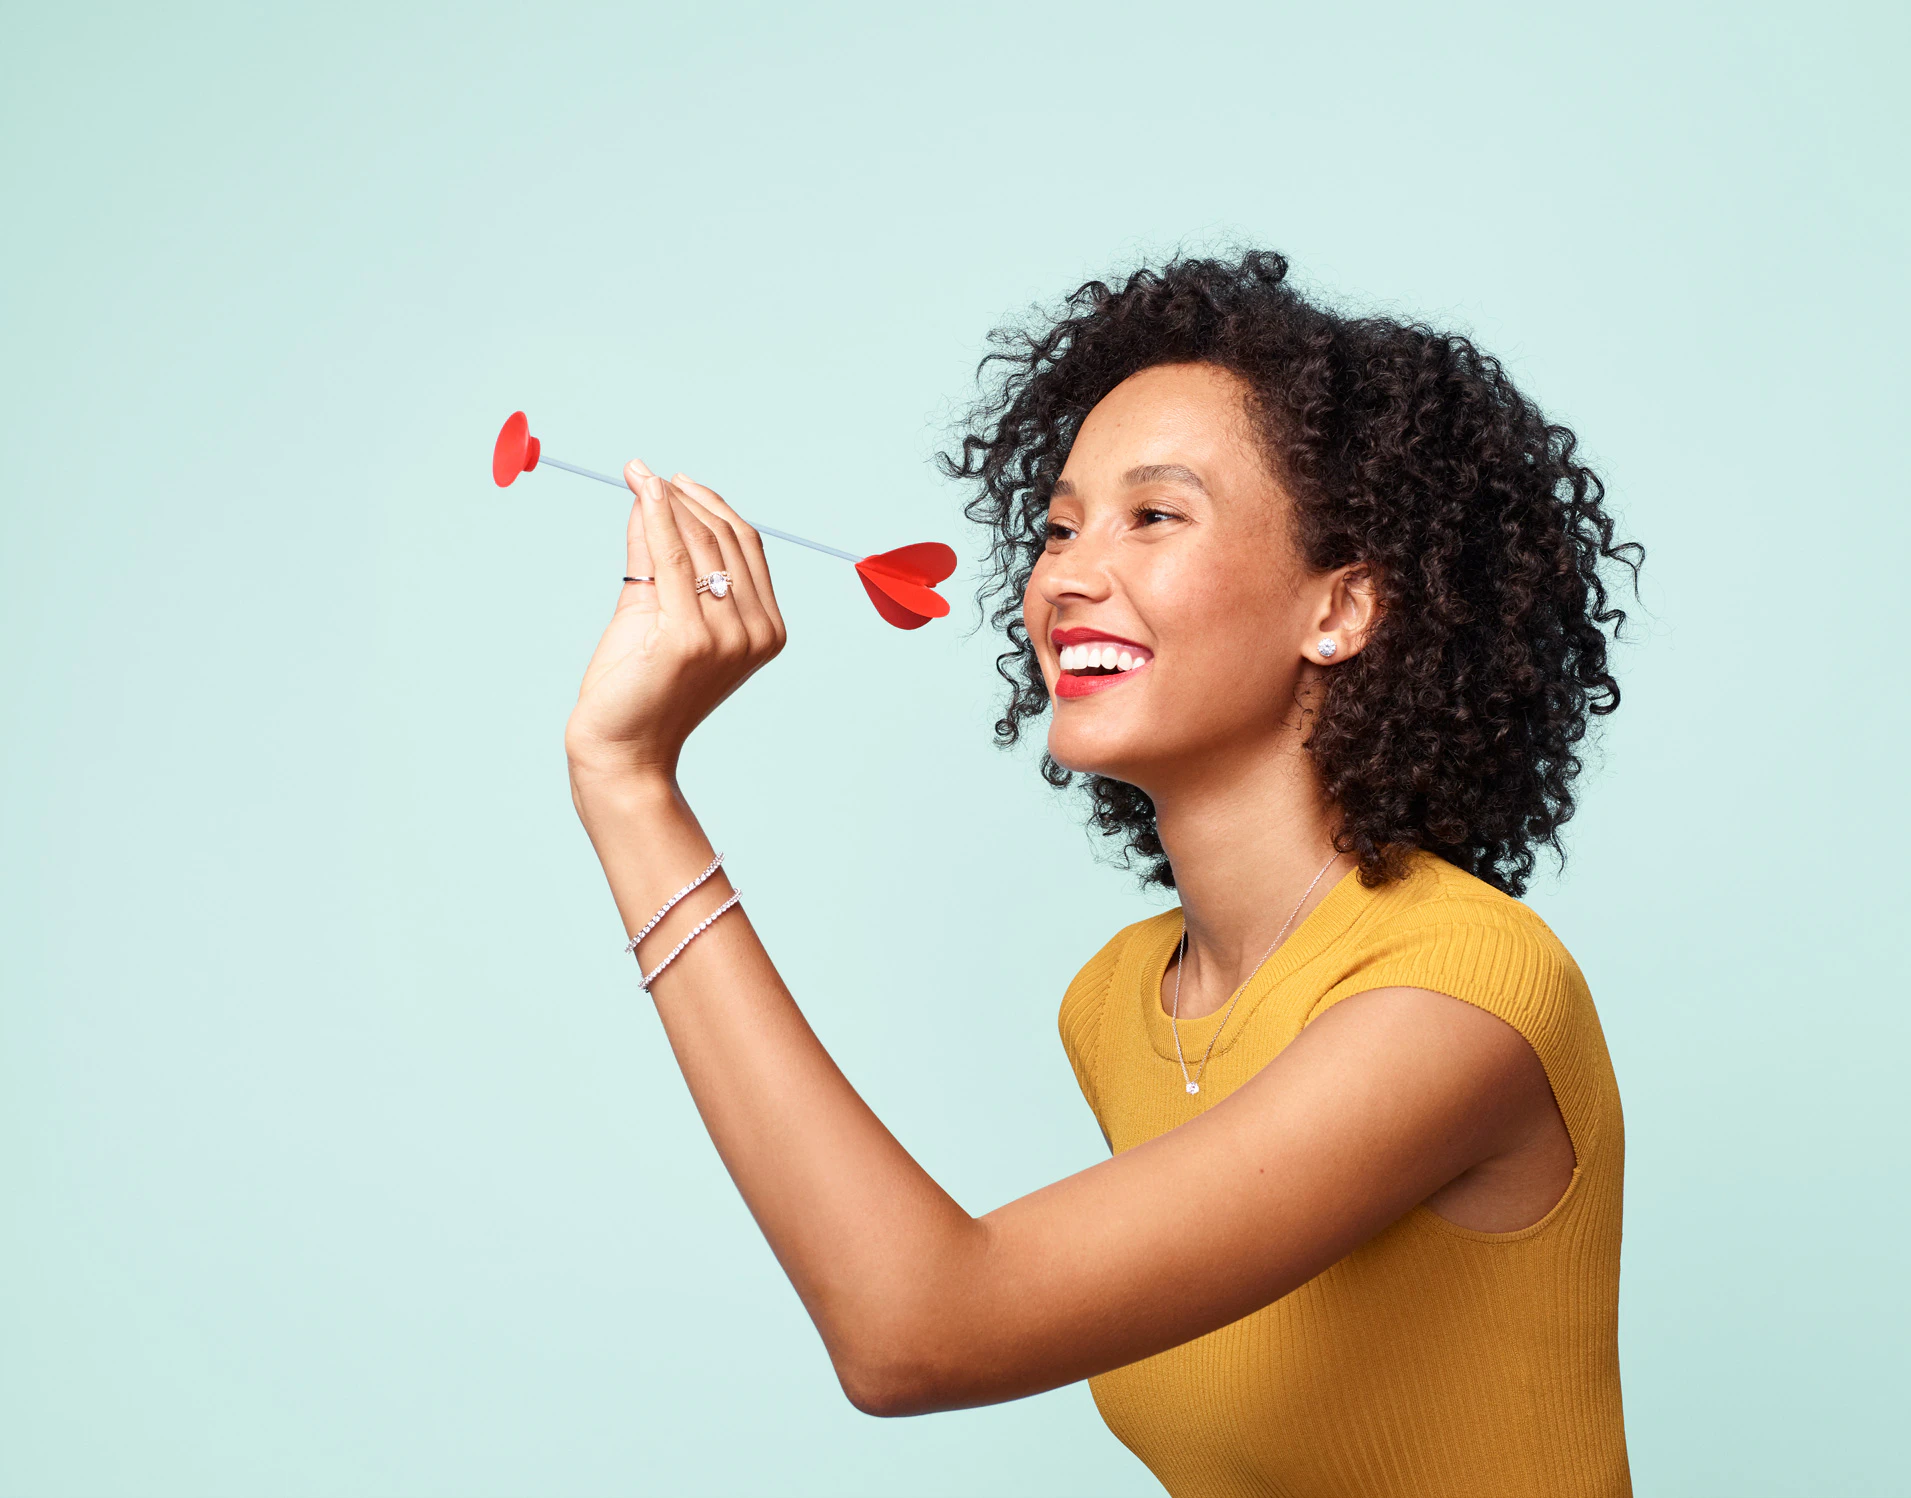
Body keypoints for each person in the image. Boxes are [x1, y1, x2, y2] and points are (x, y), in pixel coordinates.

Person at [563, 250, 1644, 1497]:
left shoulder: (1461, 1001)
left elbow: (917, 1329)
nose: (1066, 575)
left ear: (1339, 608)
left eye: (1154, 514)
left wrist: (629, 782)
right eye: (1061, 524)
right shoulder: (1120, 1004)